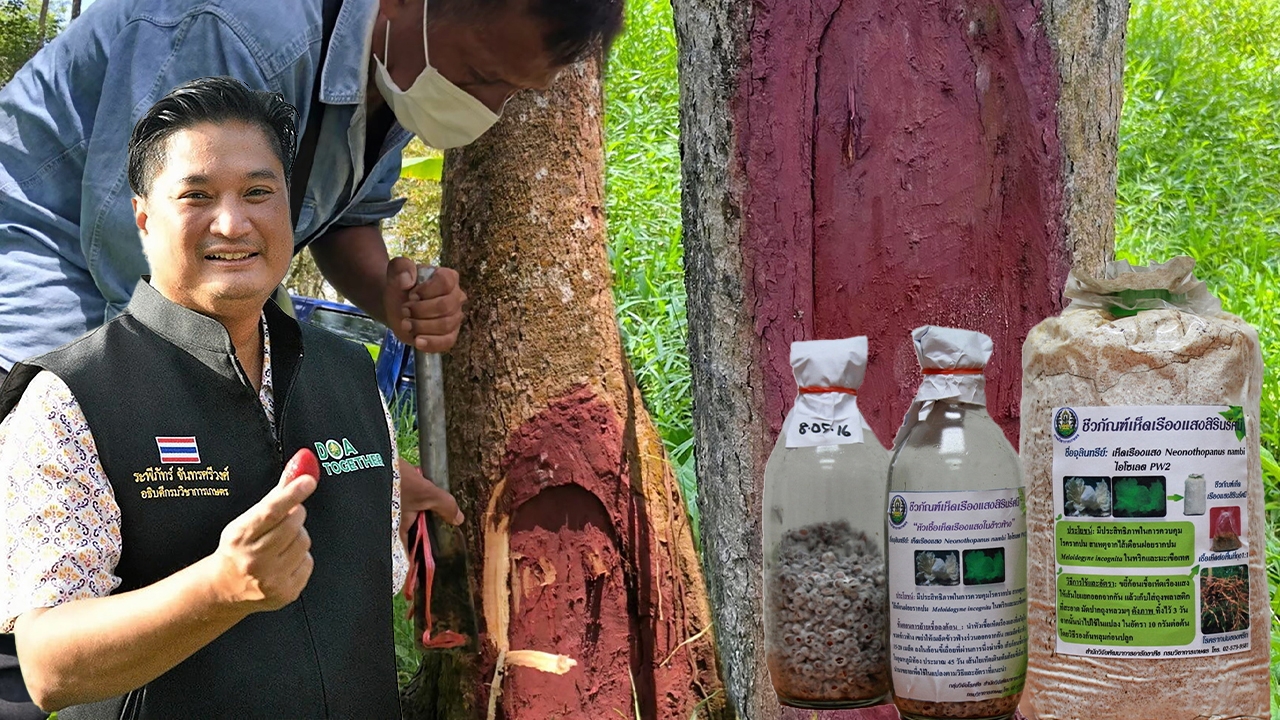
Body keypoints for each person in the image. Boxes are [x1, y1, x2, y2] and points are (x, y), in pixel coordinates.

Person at [0, 77, 463, 718]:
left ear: (289, 206)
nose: (232, 222)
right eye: (196, 195)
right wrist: (220, 589)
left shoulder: (349, 375)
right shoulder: (69, 396)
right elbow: (49, 667)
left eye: (257, 192)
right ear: (143, 218)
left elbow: (363, 595)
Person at [0, 0, 625, 375]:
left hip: (163, 274)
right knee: (61, 473)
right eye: (480, 74)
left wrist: (389, 294)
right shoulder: (244, 28)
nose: (483, 108)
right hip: (43, 244)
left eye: (511, 92)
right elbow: (152, 266)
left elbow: (343, 220)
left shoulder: (396, 67)